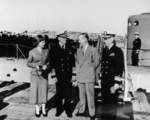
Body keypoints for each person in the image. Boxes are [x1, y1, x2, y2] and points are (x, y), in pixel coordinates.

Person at [50, 32, 75, 117]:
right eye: (63, 38)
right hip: (59, 75)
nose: (65, 39)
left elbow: (73, 63)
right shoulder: (54, 49)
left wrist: (74, 75)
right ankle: (59, 109)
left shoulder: (70, 48)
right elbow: (52, 63)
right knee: (59, 94)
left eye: (66, 38)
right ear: (59, 38)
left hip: (68, 75)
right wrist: (54, 76)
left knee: (68, 94)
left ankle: (68, 110)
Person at [76, 33, 99, 120]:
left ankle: (92, 113)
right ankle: (82, 110)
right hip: (81, 76)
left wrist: (90, 67)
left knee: (90, 95)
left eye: (80, 39)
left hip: (89, 76)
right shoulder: (78, 50)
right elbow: (77, 63)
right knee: (81, 95)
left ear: (85, 39)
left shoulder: (93, 50)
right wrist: (77, 75)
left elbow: (97, 61)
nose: (79, 41)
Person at [27, 35, 49, 117]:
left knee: (44, 91)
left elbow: (49, 62)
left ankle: (43, 109)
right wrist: (36, 66)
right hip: (35, 74)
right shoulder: (32, 51)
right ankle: (37, 109)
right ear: (38, 42)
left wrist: (47, 66)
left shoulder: (46, 51)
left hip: (44, 74)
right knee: (35, 92)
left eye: (44, 41)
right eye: (42, 41)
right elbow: (28, 63)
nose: (44, 43)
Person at [101, 36, 124, 104]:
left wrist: (116, 84)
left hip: (112, 81)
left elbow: (120, 68)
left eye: (106, 39)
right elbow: (103, 65)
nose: (104, 40)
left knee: (112, 102)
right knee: (104, 101)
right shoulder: (105, 50)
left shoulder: (118, 51)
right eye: (104, 39)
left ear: (111, 40)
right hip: (104, 80)